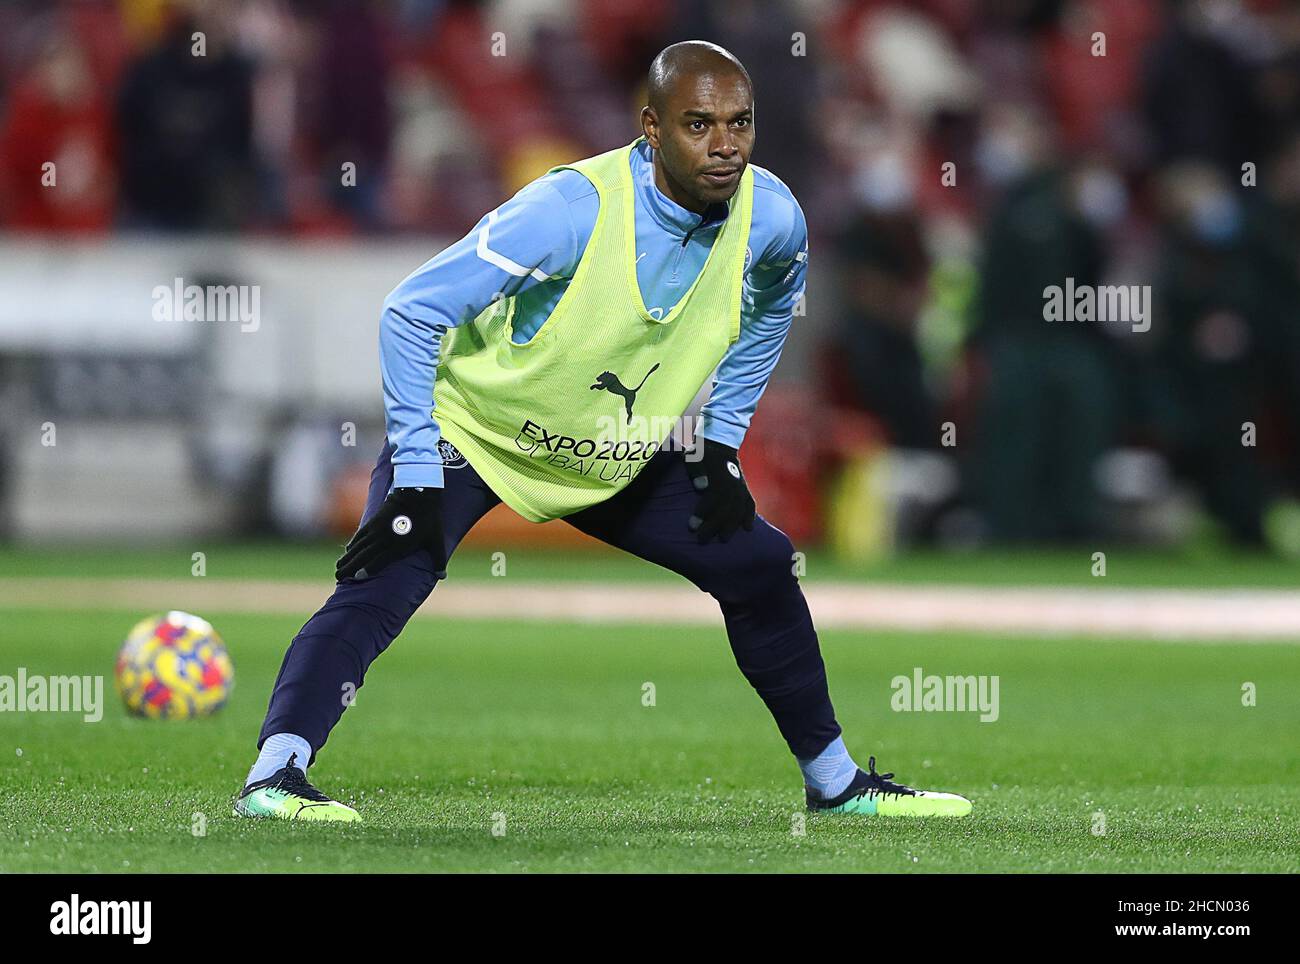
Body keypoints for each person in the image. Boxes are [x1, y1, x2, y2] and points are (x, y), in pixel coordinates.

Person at [235, 41, 971, 822]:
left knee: (760, 564)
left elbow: (767, 313)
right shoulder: (568, 210)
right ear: (650, 129)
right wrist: (416, 471)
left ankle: (835, 784)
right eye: (699, 125)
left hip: (608, 454)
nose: (725, 145)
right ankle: (275, 777)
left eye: (739, 123)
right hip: (479, 435)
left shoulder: (773, 217)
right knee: (384, 577)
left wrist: (721, 444)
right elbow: (411, 312)